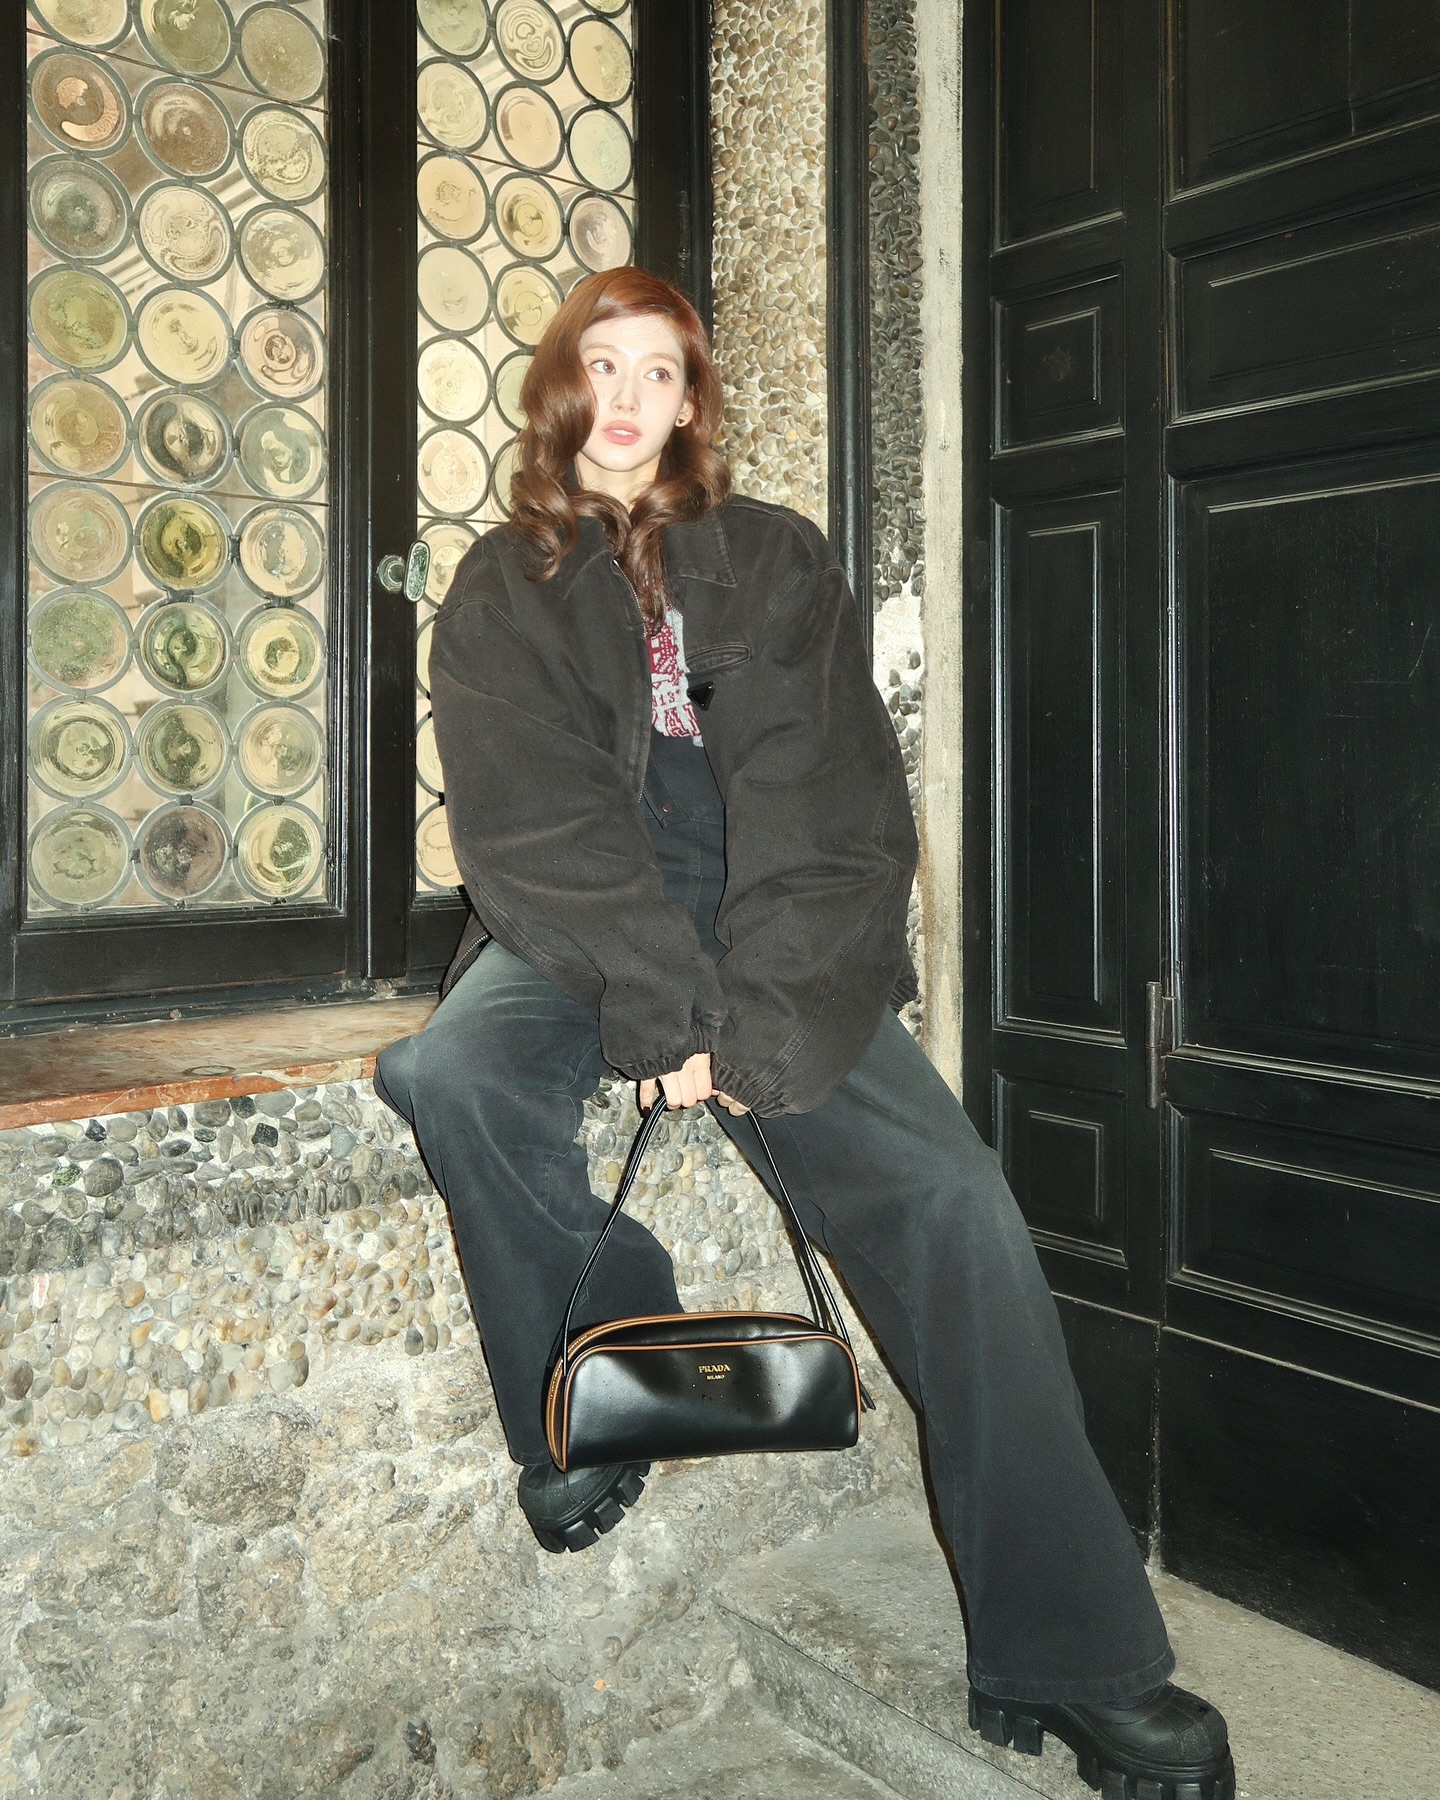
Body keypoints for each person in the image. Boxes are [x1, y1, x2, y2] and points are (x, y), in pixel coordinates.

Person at [375, 268, 1234, 1800]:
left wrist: (758, 1024)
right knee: (450, 1072)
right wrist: (654, 998)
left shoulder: (772, 556)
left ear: (692, 401)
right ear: (564, 385)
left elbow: (829, 804)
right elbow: (536, 823)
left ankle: (1080, 1661)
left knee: (956, 1203)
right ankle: (594, 1367)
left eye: (662, 371)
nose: (630, 397)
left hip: (770, 898)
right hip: (576, 910)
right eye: (603, 364)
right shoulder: (501, 587)